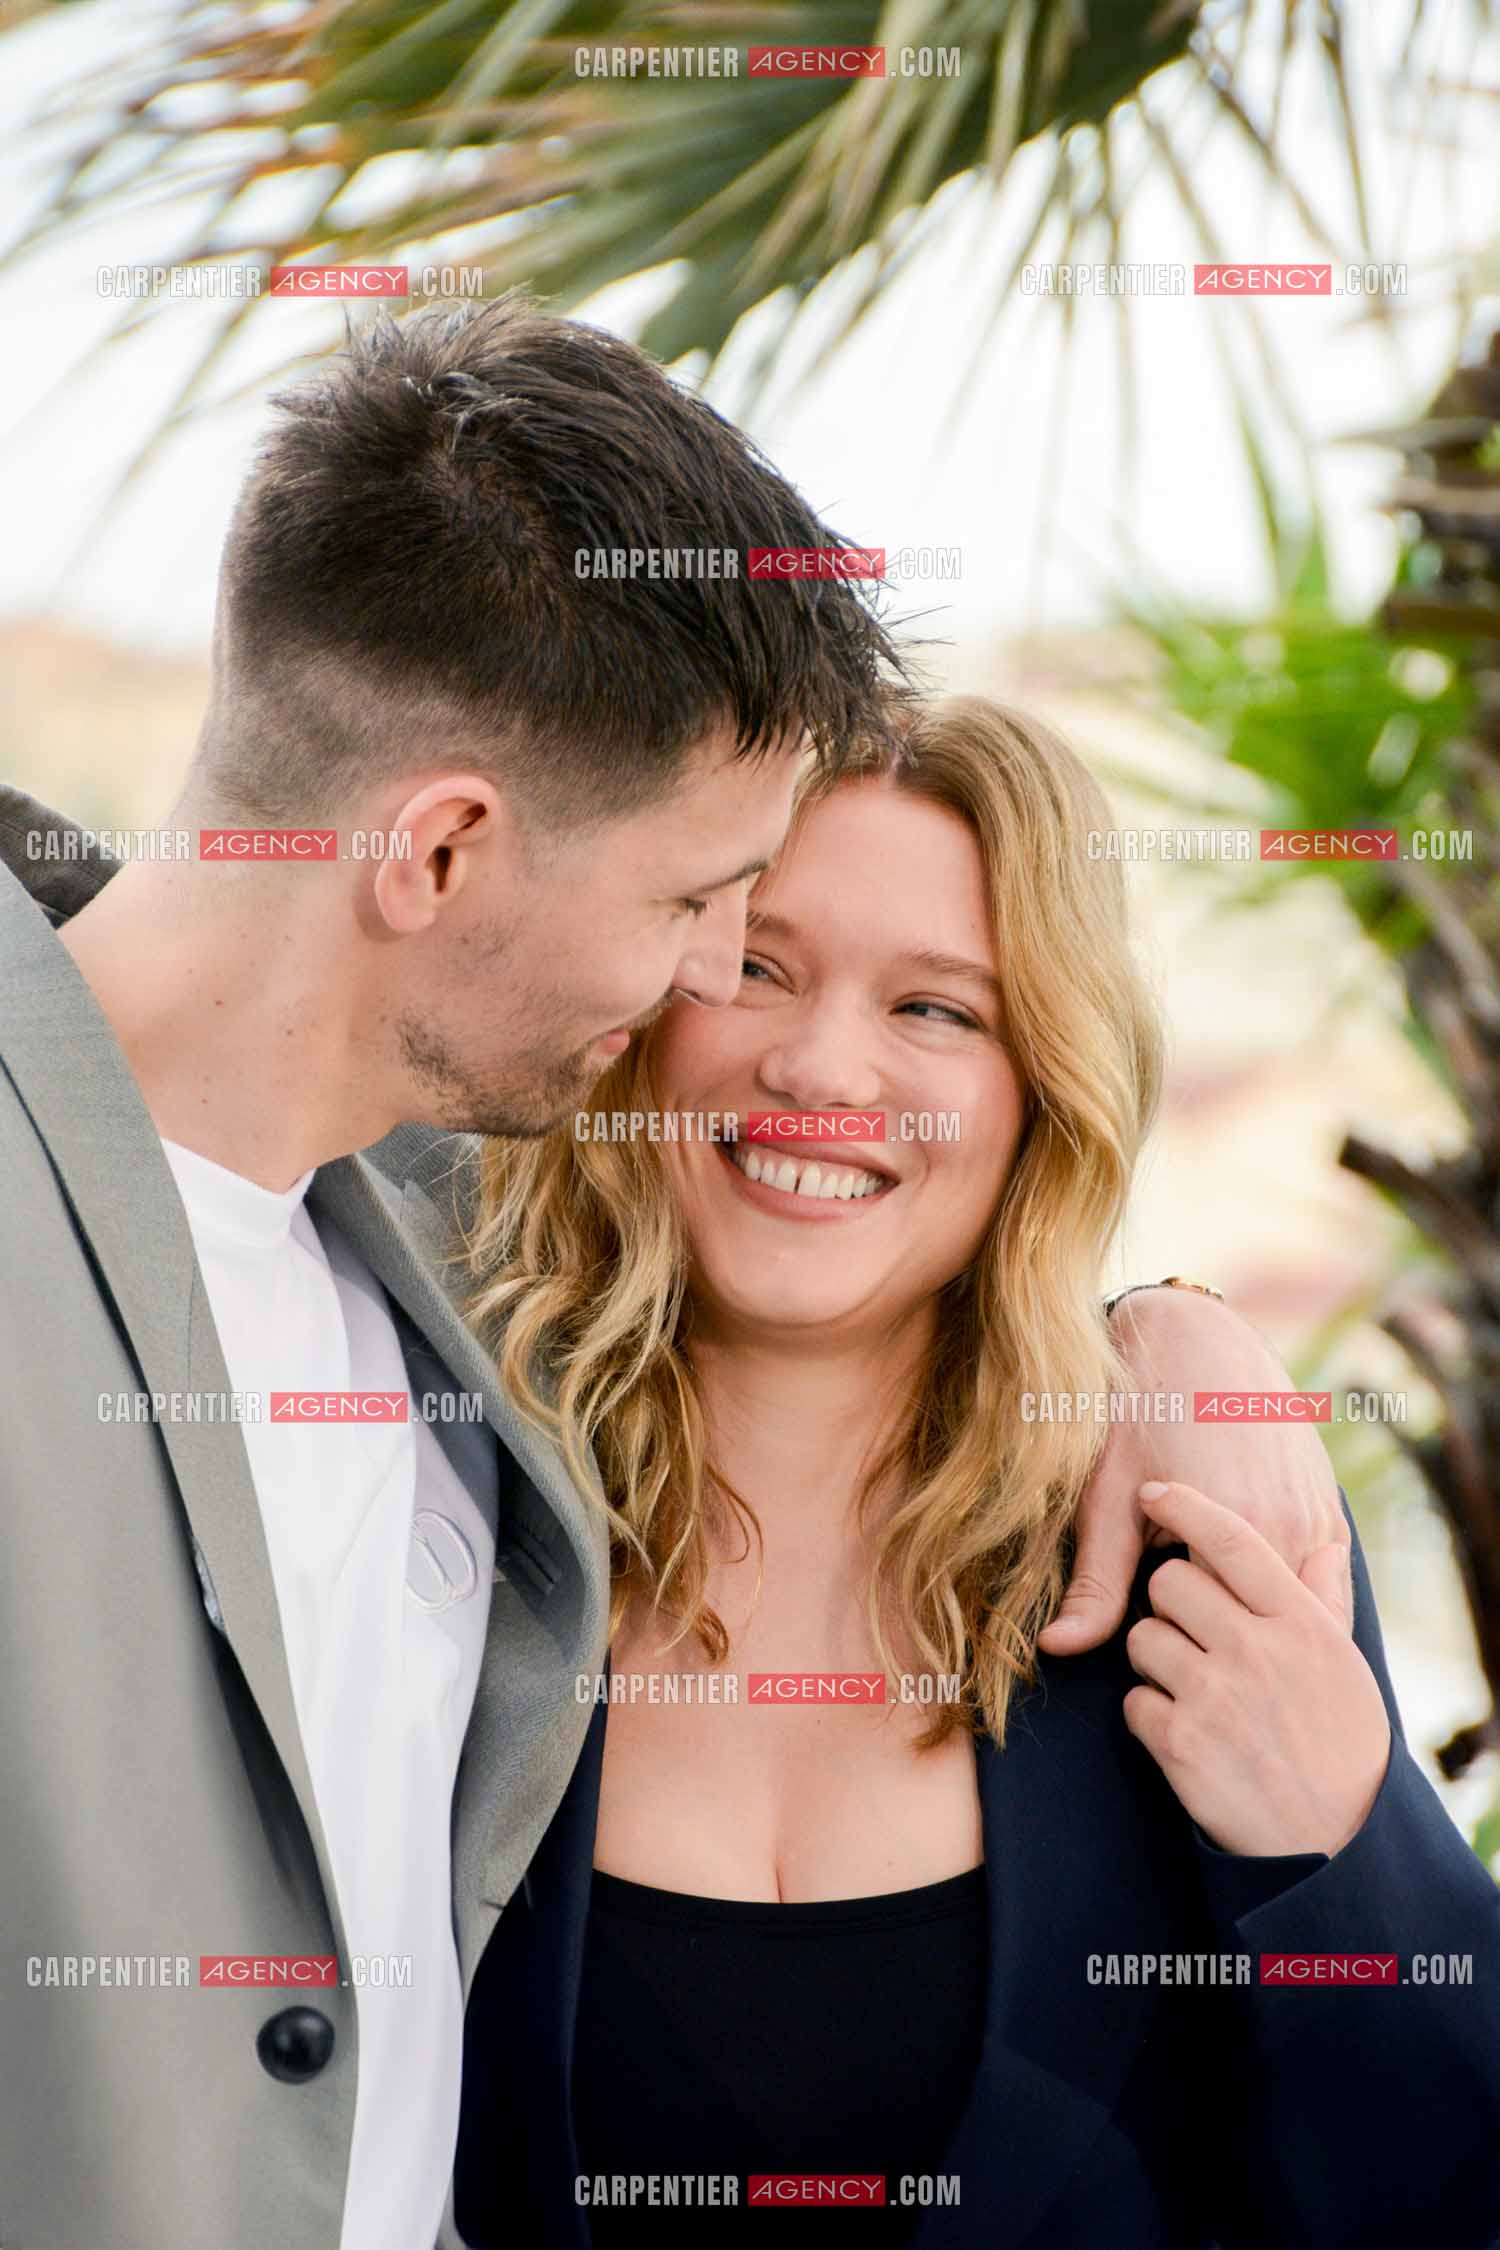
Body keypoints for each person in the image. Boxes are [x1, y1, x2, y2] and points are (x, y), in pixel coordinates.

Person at [0, 298, 1325, 2250]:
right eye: (701, 903)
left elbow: (860, 1205)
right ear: (441, 852)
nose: (719, 985)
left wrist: (1174, 1334)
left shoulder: (427, 1265)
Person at [453, 693, 1500, 2250]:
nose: (820, 1062)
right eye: (756, 963)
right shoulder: (444, 1503)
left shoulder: (1197, 1540)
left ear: (1039, 1093)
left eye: (935, 1008)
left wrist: (1342, 1841)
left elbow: (1445, 2189)